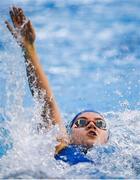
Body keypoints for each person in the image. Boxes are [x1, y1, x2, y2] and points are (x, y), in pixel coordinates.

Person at [5, 6, 109, 165]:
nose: (91, 124)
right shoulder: (62, 149)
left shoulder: (123, 161)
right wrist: (29, 49)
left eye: (100, 123)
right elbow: (47, 102)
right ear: (68, 135)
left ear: (107, 138)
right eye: (81, 122)